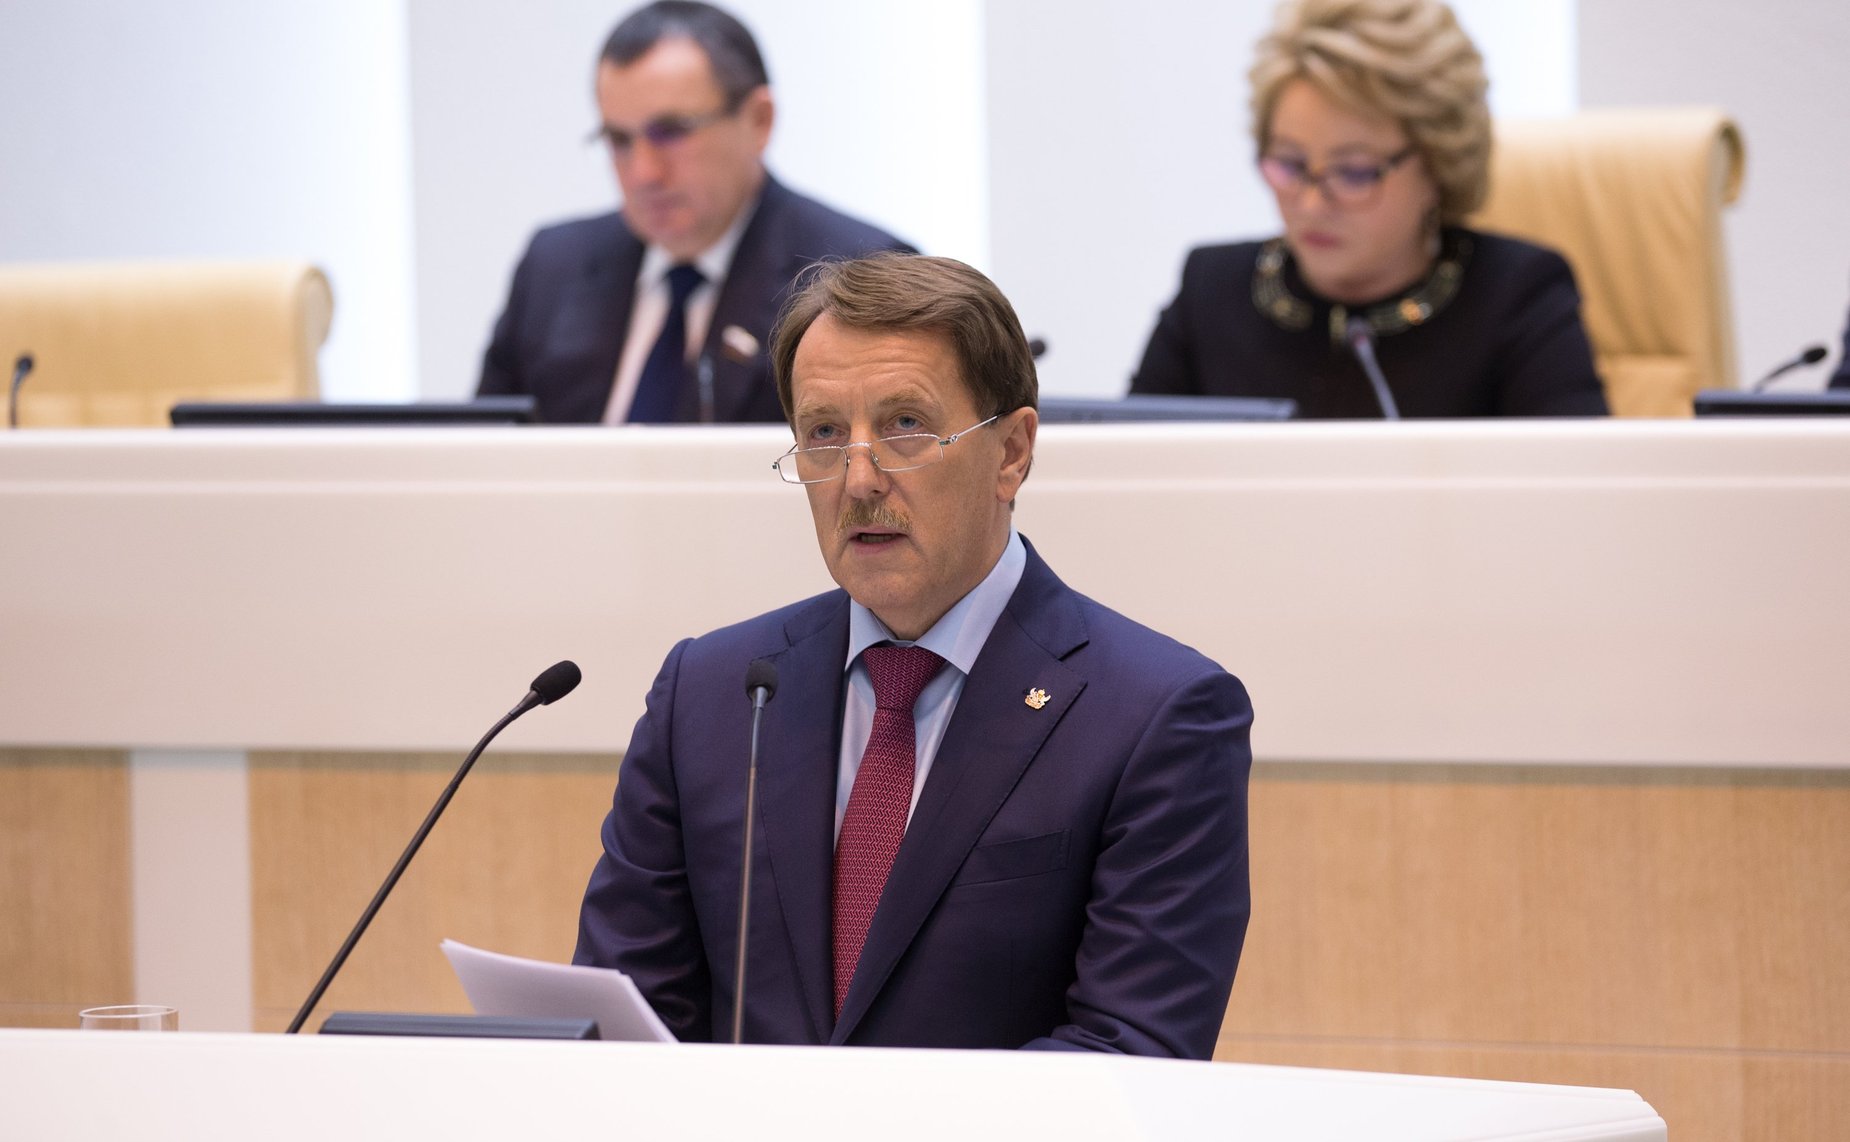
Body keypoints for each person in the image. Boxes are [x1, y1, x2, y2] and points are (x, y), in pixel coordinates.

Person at [576, 254, 1253, 1057]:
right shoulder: (711, 695)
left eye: (905, 427)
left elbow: (1130, 1051)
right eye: (824, 434)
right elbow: (625, 1017)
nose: (859, 480)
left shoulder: (1156, 717)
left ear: (1012, 452)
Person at [1132, 0, 1608, 419]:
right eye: (1290, 164)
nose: (1312, 203)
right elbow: (1125, 473)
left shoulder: (1517, 295)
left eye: (1354, 172)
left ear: (1438, 165)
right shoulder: (1211, 291)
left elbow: (1581, 484)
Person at [478, 1, 913, 424]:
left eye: (671, 132)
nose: (644, 173)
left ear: (759, 121)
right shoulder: (554, 267)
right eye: (619, 140)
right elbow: (483, 451)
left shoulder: (860, 272)